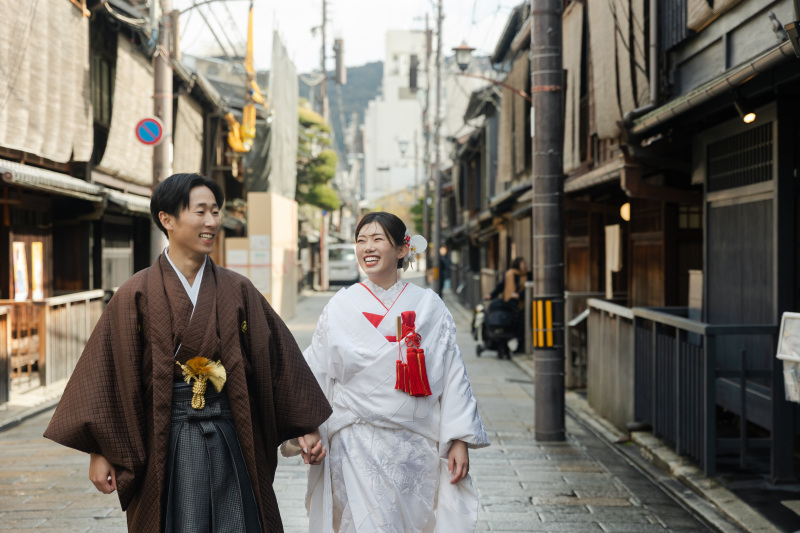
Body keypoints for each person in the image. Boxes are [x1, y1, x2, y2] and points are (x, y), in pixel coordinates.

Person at [44, 173, 332, 532]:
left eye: (216, 211)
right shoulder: (136, 293)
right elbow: (110, 373)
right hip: (166, 439)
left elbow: (275, 358)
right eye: (200, 212)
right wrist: (99, 450)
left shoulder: (237, 289)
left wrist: (304, 424)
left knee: (239, 520)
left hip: (230, 431)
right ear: (167, 219)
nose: (212, 222)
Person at [286, 211, 490, 532]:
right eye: (361, 240)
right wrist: (308, 427)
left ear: (401, 249)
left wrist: (460, 439)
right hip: (354, 443)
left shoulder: (428, 306)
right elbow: (315, 372)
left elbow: (453, 375)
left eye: (378, 239)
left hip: (414, 447)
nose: (368, 246)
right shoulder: (340, 306)